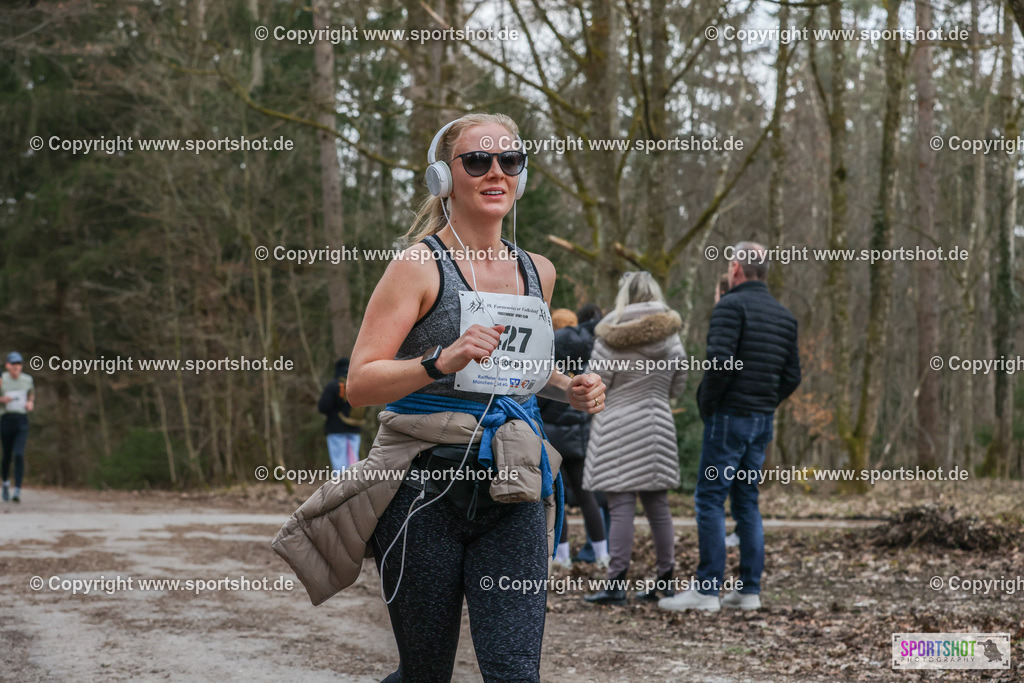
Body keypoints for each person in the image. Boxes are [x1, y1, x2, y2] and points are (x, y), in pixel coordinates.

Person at [345, 113, 606, 682]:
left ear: (521, 175)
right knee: (425, 674)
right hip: (424, 493)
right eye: (477, 160)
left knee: (515, 674)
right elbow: (359, 383)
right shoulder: (417, 266)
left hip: (513, 485)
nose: (495, 172)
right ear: (444, 177)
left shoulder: (538, 270)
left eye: (508, 160)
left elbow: (521, 368)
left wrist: (570, 386)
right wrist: (440, 360)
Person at [660, 241, 800, 613]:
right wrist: (766, 402)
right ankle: (749, 590)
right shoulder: (785, 316)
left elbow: (720, 364)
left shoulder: (730, 306)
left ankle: (707, 589)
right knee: (746, 501)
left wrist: (708, 403)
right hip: (761, 420)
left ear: (736, 267)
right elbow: (793, 376)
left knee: (710, 499)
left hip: (729, 417)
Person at [582, 272, 687, 605]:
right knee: (659, 507)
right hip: (657, 424)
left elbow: (597, 384)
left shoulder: (610, 335)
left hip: (616, 426)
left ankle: (616, 584)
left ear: (624, 295)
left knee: (620, 506)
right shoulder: (671, 336)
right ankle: (666, 579)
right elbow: (678, 385)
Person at [539, 307, 610, 570]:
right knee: (587, 497)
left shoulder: (550, 366)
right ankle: (602, 553)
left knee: (557, 497)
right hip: (579, 439)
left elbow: (541, 402)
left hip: (553, 441)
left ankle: (562, 555)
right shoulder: (585, 364)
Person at [317, 357, 364, 472]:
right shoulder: (357, 385)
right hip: (355, 429)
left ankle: (341, 483)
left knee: (339, 465)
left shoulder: (333, 386)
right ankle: (354, 483)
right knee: (353, 463)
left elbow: (323, 407)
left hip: (336, 429)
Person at [1, 352, 35, 503]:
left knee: (19, 454)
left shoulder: (27, 379)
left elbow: (31, 394)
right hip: (5, 419)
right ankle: (5, 482)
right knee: (7, 455)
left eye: (19, 364)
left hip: (21, 420)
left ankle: (17, 490)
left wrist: (30, 402)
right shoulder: (2, 379)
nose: (16, 366)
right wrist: (2, 399)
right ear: (7, 365)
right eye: (13, 364)